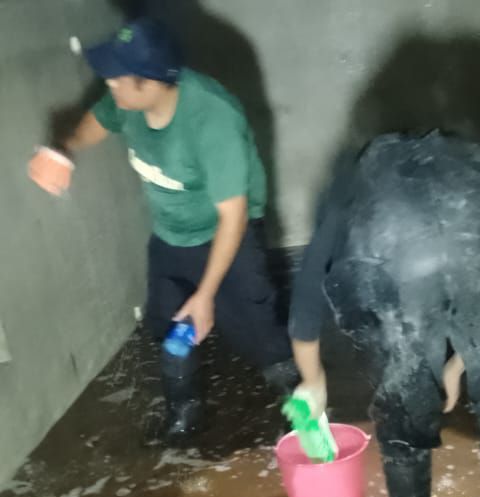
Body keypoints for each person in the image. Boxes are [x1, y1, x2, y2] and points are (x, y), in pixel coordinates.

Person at [289, 132, 480, 497]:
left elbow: (307, 301)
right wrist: (460, 360)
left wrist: (312, 381)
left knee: (403, 419)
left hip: (397, 255)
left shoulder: (350, 190)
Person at [29, 17, 297, 444]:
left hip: (227, 234)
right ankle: (184, 414)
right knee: (169, 327)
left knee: (257, 326)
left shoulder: (212, 120)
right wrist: (64, 150)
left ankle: (299, 404)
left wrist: (206, 294)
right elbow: (97, 122)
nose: (111, 89)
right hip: (171, 235)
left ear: (153, 82)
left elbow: (234, 216)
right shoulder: (128, 99)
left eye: (119, 82)